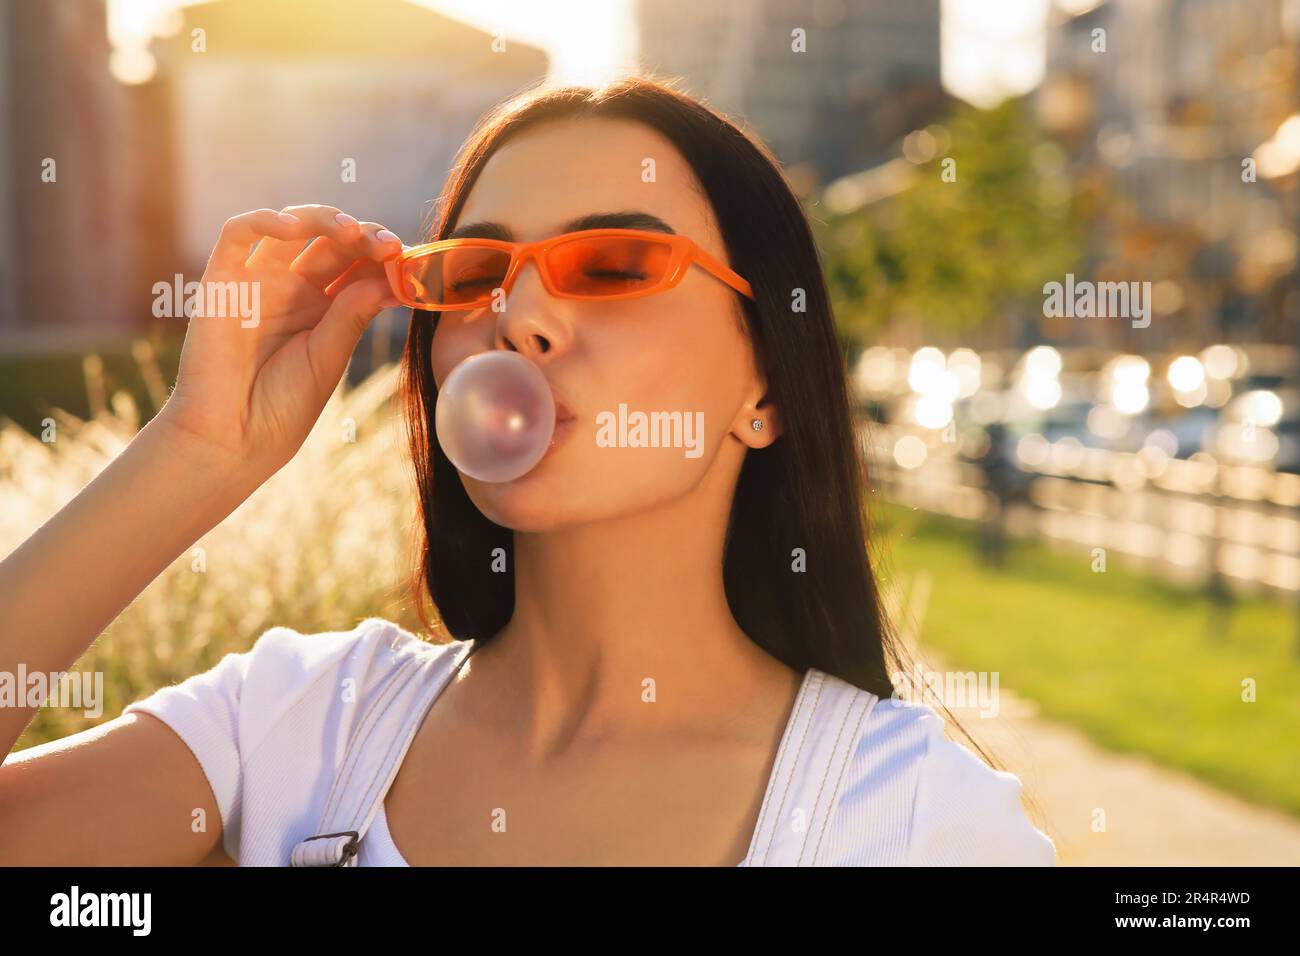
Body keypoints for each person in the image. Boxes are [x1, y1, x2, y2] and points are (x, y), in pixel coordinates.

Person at [0, 75, 1055, 867]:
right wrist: (196, 456)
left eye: (614, 264)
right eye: (473, 273)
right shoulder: (299, 721)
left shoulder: (921, 819)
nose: (521, 318)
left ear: (768, 386)